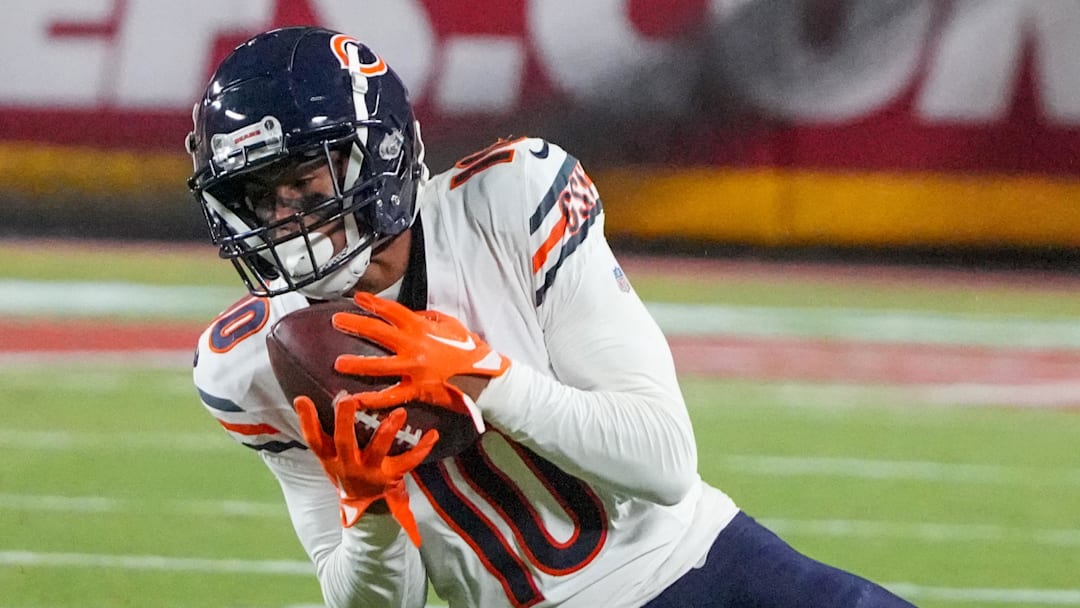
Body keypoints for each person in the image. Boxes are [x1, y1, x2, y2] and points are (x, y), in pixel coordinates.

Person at [187, 26, 915, 608]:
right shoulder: (252, 362)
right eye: (258, 197)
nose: (283, 220)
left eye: (302, 182)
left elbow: (663, 462)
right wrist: (370, 507)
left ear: (375, 155)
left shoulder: (509, 201)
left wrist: (484, 378)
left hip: (702, 567)